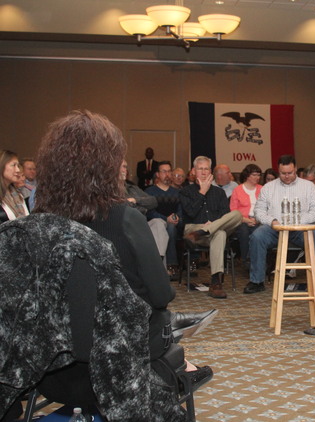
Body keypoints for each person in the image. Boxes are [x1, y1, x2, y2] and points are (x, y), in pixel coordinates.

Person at [34, 110, 215, 384]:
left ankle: (183, 367)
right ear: (107, 165)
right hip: (118, 363)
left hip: (50, 371)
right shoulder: (124, 218)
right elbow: (161, 294)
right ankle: (181, 370)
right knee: (159, 323)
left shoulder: (35, 223)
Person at [244, 155, 315, 294]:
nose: (286, 176)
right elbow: (259, 211)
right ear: (278, 171)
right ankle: (257, 281)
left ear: (296, 169)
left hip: (300, 229)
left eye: (290, 173)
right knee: (257, 236)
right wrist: (272, 221)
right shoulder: (268, 187)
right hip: (274, 228)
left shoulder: (308, 186)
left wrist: (299, 221)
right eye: (283, 173)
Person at [180, 156, 242, 299]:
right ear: (194, 171)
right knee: (220, 233)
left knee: (236, 215)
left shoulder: (219, 192)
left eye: (206, 168)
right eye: (200, 169)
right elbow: (190, 213)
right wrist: (202, 192)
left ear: (210, 172)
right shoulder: (186, 191)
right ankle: (216, 283)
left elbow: (225, 216)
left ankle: (215, 282)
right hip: (192, 229)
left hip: (209, 231)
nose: (203, 171)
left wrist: (211, 224)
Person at [145, 161, 183, 279]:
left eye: (169, 171)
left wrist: (176, 217)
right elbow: (149, 212)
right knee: (167, 226)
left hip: (175, 225)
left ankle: (170, 266)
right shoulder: (149, 192)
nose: (167, 174)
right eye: (164, 171)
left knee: (171, 227)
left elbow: (181, 210)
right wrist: (165, 219)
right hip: (155, 224)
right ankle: (170, 265)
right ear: (157, 174)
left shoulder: (177, 193)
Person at [229, 163, 263, 267]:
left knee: (258, 232)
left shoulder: (263, 189)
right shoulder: (237, 190)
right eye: (254, 175)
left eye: (258, 175)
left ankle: (254, 260)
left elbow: (267, 208)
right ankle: (246, 259)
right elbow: (233, 210)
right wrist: (245, 220)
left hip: (258, 220)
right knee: (243, 231)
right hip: (241, 220)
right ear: (247, 175)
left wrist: (257, 219)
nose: (257, 177)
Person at [1, 150, 29, 223]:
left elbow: (27, 220)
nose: (18, 170)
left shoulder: (18, 195)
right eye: (13, 165)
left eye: (18, 166)